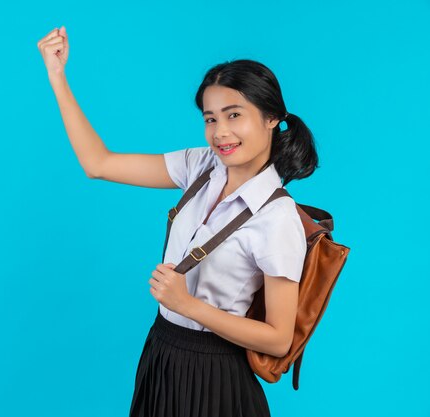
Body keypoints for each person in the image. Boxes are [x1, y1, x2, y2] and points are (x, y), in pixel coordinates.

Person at [37, 26, 318, 417]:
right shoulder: (201, 166)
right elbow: (98, 163)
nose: (220, 133)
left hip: (216, 376)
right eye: (210, 118)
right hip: (162, 354)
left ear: (272, 118)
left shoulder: (277, 218)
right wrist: (57, 76)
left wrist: (187, 305)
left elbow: (277, 339)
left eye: (234, 115)